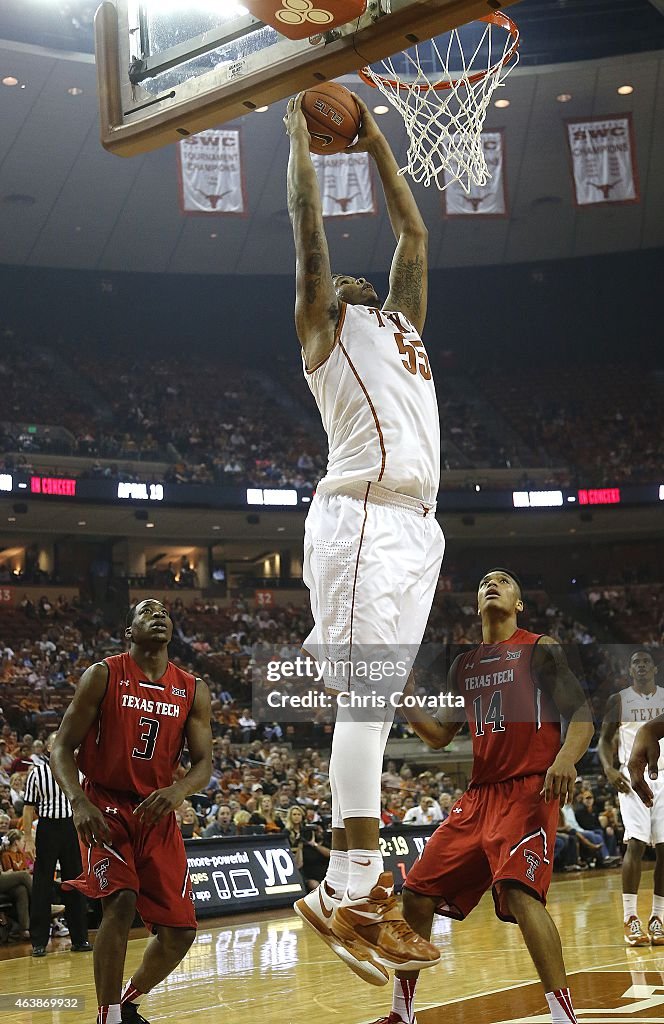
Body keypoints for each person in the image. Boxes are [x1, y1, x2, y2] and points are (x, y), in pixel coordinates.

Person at [285, 89, 443, 985]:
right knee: (365, 704)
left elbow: (413, 238)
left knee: (375, 711)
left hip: (416, 531)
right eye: (340, 277)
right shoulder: (324, 325)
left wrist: (377, 139)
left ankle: (343, 886)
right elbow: (311, 236)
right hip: (361, 515)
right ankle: (354, 885)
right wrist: (297, 150)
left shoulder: (401, 323)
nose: (351, 276)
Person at [370, 568, 594, 1024]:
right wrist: (407, 696)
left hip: (530, 788)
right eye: (484, 583)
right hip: (479, 797)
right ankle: (402, 1014)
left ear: (519, 604)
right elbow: (437, 736)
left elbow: (581, 714)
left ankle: (563, 1017)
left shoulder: (539, 648)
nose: (492, 584)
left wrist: (566, 758)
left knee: (519, 892)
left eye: (505, 581)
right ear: (476, 605)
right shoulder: (464, 666)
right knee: (416, 893)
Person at [51, 599, 212, 1024]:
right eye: (146, 611)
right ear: (129, 631)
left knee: (180, 932)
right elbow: (61, 746)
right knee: (119, 901)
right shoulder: (103, 674)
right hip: (106, 805)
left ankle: (126, 1001)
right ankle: (108, 1017)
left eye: (163, 612)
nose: (158, 615)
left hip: (157, 810)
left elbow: (204, 764)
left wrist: (178, 791)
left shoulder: (192, 688)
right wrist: (79, 801)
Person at [599, 648, 664, 946]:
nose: (641, 666)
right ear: (629, 670)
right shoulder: (619, 700)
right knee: (635, 843)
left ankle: (658, 917)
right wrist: (610, 770)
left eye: (645, 662)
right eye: (635, 662)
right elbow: (603, 741)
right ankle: (630, 917)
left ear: (654, 668)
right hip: (632, 778)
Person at [22, 730, 91, 957]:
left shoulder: (80, 772)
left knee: (75, 882)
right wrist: (28, 838)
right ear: (49, 749)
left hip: (73, 828)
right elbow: (29, 808)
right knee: (42, 884)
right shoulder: (37, 774)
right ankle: (38, 942)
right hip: (48, 829)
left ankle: (80, 938)